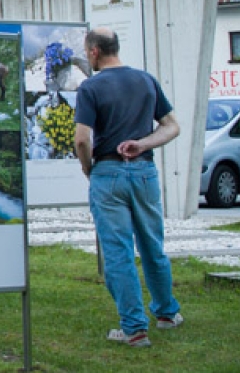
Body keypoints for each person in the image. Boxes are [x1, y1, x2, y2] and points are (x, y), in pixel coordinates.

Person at [74, 28, 182, 347]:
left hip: (108, 172)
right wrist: (141, 143)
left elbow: (82, 139)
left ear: (94, 52)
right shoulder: (145, 80)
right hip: (145, 170)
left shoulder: (91, 87)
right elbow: (172, 126)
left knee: (118, 251)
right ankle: (166, 313)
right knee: (152, 244)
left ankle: (134, 329)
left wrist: (89, 169)